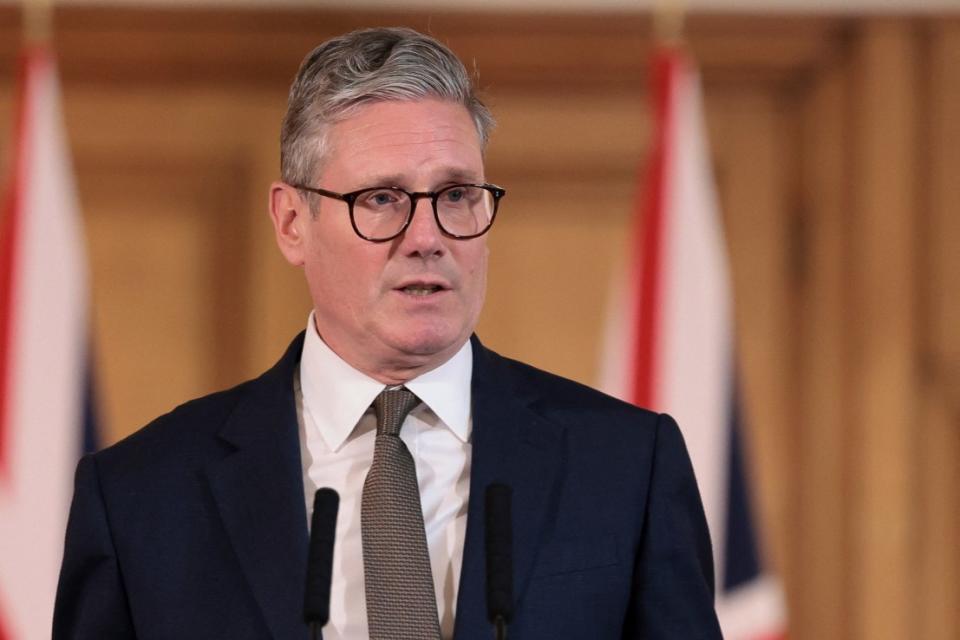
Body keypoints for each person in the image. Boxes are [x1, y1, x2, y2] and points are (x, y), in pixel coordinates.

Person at [53, 27, 722, 639]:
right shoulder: (143, 496)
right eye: (381, 199)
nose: (427, 238)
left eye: (457, 194)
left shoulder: (627, 467)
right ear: (292, 222)